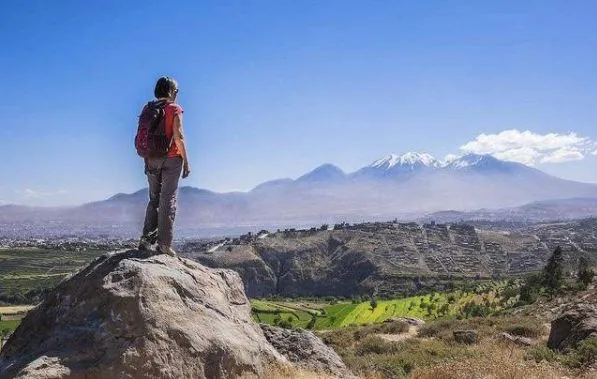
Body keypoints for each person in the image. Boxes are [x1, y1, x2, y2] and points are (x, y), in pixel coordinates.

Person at [138, 76, 190, 256]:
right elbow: (179, 137)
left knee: (154, 199)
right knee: (168, 200)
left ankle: (145, 240)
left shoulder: (147, 109)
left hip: (151, 158)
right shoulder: (174, 109)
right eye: (176, 91)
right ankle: (164, 244)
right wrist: (187, 163)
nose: (177, 94)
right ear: (171, 91)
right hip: (172, 159)